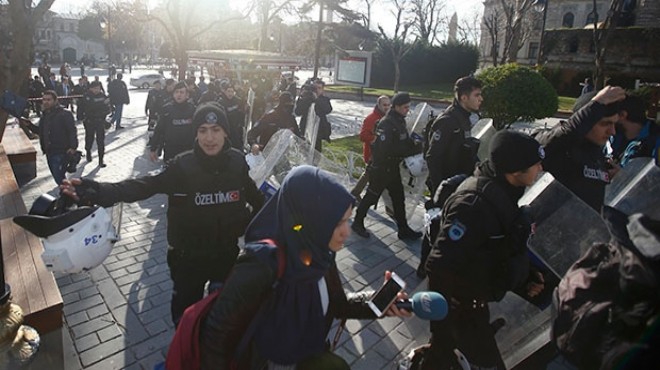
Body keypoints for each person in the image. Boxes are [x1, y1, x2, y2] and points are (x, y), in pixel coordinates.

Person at [60, 103, 264, 325]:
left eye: (215, 130)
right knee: (186, 321)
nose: (209, 138)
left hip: (225, 255)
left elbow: (256, 197)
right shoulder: (182, 166)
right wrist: (98, 191)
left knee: (224, 319)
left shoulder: (237, 161)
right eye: (202, 130)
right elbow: (144, 186)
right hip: (188, 259)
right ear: (195, 134)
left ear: (225, 131)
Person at [199, 165, 410, 369]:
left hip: (308, 356)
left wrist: (380, 302)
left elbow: (338, 304)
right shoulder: (261, 263)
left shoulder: (320, 252)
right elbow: (216, 334)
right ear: (309, 220)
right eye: (336, 223)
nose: (346, 232)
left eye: (348, 220)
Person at [423, 130, 546, 370]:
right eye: (535, 164)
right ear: (515, 170)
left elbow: (497, 247)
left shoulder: (504, 190)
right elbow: (439, 267)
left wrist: (525, 275)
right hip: (462, 313)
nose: (540, 168)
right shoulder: (472, 205)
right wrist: (441, 336)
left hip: (480, 304)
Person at [535, 86, 626, 212]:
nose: (612, 131)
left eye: (614, 124)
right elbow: (561, 136)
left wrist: (619, 180)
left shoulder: (597, 155)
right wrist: (597, 105)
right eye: (605, 124)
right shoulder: (558, 147)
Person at [351, 92, 423, 240]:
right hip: (382, 168)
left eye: (408, 107)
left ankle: (403, 229)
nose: (407, 110)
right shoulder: (387, 123)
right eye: (405, 107)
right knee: (371, 196)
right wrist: (407, 151)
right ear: (396, 107)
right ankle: (358, 222)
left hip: (393, 167)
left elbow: (405, 140)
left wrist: (418, 145)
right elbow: (385, 149)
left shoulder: (400, 121)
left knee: (398, 197)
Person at [425, 76, 483, 196]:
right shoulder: (448, 121)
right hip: (447, 187)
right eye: (477, 95)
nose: (481, 99)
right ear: (464, 97)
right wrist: (439, 191)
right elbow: (432, 158)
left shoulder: (464, 118)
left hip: (460, 182)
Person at [20, 90, 77, 185]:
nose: (45, 102)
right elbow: (40, 131)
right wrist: (29, 125)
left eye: (48, 100)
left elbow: (72, 131)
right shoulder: (45, 115)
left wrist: (73, 147)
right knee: (59, 178)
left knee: (60, 179)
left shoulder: (65, 114)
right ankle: (67, 195)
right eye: (44, 100)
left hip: (61, 151)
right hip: (49, 151)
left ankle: (69, 196)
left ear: (55, 100)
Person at [350, 95, 391, 201]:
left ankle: (355, 193)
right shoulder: (371, 118)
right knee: (372, 175)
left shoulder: (387, 117)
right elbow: (363, 136)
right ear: (378, 105)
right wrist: (378, 139)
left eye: (388, 105)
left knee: (369, 175)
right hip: (372, 154)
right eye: (384, 105)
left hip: (382, 154)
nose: (387, 107)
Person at [149, 82, 197, 163]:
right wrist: (153, 148)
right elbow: (159, 130)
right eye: (176, 92)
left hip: (188, 150)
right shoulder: (167, 109)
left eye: (182, 92)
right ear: (173, 94)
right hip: (170, 150)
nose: (179, 95)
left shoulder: (193, 109)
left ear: (187, 95)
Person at [609, 94, 660, 166]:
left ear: (622, 115)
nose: (608, 123)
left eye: (610, 115)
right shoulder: (612, 138)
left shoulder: (655, 140)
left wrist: (622, 175)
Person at [82, 81, 112, 168]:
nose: (97, 90)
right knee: (89, 138)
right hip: (90, 121)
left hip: (100, 121)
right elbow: (86, 108)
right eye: (95, 88)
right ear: (91, 88)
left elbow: (108, 108)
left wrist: (103, 113)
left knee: (101, 141)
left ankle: (101, 160)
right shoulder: (87, 96)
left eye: (98, 88)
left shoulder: (103, 96)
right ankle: (88, 151)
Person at [219, 85, 246, 151]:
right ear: (225, 92)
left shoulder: (238, 101)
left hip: (237, 128)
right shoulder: (221, 102)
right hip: (227, 129)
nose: (230, 93)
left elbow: (242, 112)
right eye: (228, 91)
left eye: (232, 91)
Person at [313, 80, 333, 151]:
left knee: (317, 151)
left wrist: (317, 99)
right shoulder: (308, 98)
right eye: (315, 88)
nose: (317, 90)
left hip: (318, 129)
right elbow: (298, 111)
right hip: (306, 128)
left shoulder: (324, 99)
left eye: (319, 88)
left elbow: (328, 109)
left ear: (323, 89)